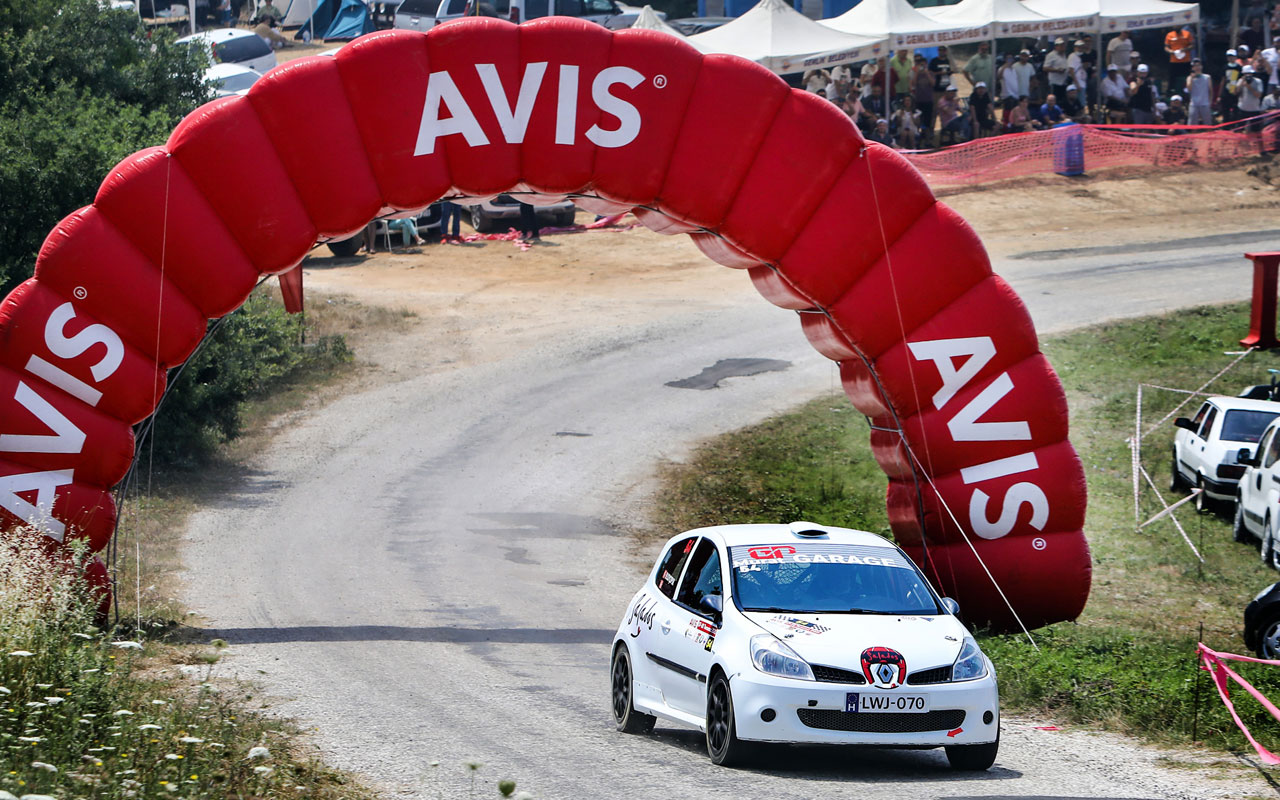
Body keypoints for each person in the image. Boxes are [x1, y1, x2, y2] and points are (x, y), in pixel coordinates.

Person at [912, 54, 935, 146]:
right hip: (919, 101)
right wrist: (917, 72)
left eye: (924, 64)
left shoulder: (930, 73)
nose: (922, 66)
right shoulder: (916, 75)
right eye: (921, 64)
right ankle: (919, 139)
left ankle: (928, 140)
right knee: (919, 121)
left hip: (928, 100)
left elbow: (933, 83)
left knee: (928, 121)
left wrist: (926, 73)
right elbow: (913, 84)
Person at [1164, 25, 1194, 94]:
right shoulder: (1169, 35)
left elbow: (1192, 45)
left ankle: (1186, 92)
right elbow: (1166, 47)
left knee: (1186, 78)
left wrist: (1185, 49)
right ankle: (1171, 92)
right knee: (1173, 78)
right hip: (1174, 61)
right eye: (1175, 26)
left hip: (1185, 61)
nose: (1176, 27)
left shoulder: (1187, 34)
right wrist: (1171, 51)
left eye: (1178, 26)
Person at [1185, 59, 1213, 125]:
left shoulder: (1207, 77)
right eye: (1195, 66)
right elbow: (1189, 89)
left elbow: (1210, 90)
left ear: (1201, 66)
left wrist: (1210, 101)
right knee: (1193, 125)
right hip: (1194, 104)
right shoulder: (1189, 78)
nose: (1197, 67)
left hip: (1205, 103)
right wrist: (1192, 78)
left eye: (1198, 65)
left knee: (1208, 124)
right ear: (1192, 68)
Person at [1221, 50, 1243, 121]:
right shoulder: (1225, 67)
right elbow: (1223, 80)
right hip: (1226, 91)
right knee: (1225, 110)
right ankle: (1226, 125)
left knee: (1236, 110)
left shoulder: (1239, 68)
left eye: (1232, 56)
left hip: (1236, 91)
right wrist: (1220, 94)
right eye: (1229, 56)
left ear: (1236, 57)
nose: (1231, 58)